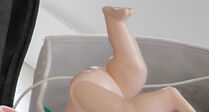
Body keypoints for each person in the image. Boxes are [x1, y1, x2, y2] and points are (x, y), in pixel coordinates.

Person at [66, 7, 197, 112]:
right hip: (108, 88)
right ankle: (115, 22)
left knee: (133, 81)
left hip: (88, 88)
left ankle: (115, 21)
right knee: (135, 70)